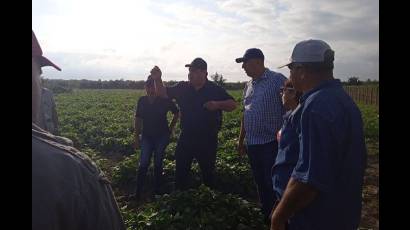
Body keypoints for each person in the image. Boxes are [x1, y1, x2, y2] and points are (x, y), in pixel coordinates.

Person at [32, 30, 126, 230]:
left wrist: (52, 134)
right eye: (38, 73)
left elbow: (54, 116)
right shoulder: (74, 173)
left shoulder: (49, 98)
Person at [270, 39, 367, 230]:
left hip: (314, 217)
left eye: (291, 69)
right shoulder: (339, 98)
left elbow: (308, 180)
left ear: (301, 71)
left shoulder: (316, 108)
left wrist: (279, 217)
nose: (289, 75)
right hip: (339, 210)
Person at [149, 58, 237, 190]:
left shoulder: (214, 89)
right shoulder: (183, 87)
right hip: (186, 137)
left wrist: (217, 104)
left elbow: (233, 104)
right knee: (181, 172)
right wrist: (157, 79)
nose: (190, 74)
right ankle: (180, 198)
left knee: (208, 173)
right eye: (190, 71)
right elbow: (163, 93)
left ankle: (209, 201)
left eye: (194, 71)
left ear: (204, 73)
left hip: (208, 139)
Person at [236, 48, 287, 222]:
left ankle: (279, 218)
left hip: (271, 143)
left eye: (245, 62)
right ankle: (267, 214)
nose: (243, 67)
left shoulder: (277, 80)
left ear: (258, 61)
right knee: (260, 182)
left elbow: (291, 108)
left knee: (273, 183)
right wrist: (241, 140)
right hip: (253, 144)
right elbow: (246, 114)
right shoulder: (248, 86)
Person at [133, 76, 179, 199]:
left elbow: (176, 112)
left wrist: (171, 128)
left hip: (162, 136)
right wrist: (136, 136)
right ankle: (137, 192)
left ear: (157, 87)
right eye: (148, 86)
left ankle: (157, 190)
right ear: (145, 87)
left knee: (158, 162)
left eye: (152, 87)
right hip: (147, 136)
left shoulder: (165, 100)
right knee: (143, 163)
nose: (150, 89)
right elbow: (138, 119)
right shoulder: (142, 100)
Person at [271, 80, 302, 217]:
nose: (281, 94)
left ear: (293, 93)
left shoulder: (300, 119)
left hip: (291, 188)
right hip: (284, 186)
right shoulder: (290, 116)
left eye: (283, 91)